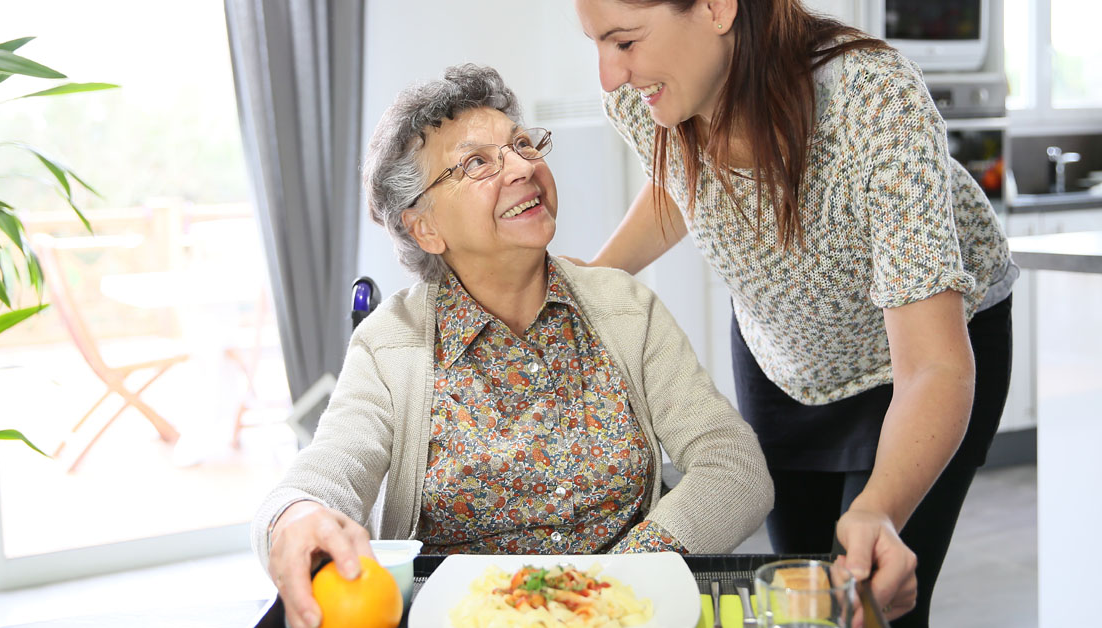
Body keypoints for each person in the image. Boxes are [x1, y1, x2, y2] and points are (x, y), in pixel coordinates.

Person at [251, 63, 774, 628]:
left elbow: (736, 468)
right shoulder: (389, 346)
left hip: (624, 611)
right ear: (425, 227)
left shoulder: (626, 309)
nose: (524, 167)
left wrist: (601, 589)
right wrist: (296, 515)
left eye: (523, 146)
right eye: (478, 162)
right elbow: (328, 471)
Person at [570, 1, 1017, 625]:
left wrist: (878, 510)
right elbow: (680, 180)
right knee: (802, 603)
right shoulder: (644, 101)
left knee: (869, 600)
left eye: (623, 41)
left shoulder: (871, 99)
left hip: (922, 364)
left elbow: (934, 366)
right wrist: (595, 281)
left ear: (715, 8)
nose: (608, 75)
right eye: (596, 44)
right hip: (781, 355)